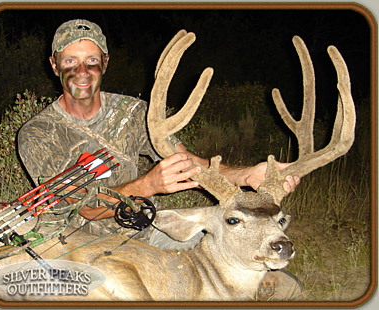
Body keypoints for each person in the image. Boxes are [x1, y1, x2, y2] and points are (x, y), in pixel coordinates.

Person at [17, 18, 301, 300]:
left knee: (229, 258)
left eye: (91, 59)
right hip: (79, 244)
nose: (82, 70)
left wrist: (245, 175)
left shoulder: (132, 113)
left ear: (104, 63)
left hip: (145, 232)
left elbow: (186, 161)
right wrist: (149, 185)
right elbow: (85, 208)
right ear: (54, 66)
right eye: (69, 61)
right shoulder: (37, 134)